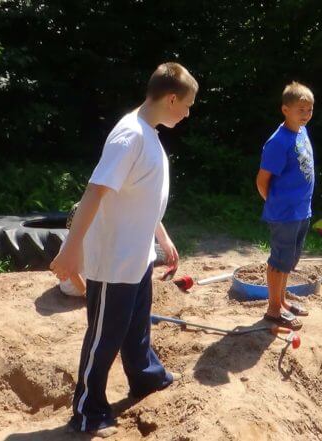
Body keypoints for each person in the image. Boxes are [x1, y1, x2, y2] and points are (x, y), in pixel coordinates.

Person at [50, 62, 198, 436]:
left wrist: (161, 238)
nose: (188, 113)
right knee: (105, 337)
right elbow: (95, 191)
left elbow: (140, 194)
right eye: (187, 105)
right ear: (171, 97)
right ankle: (87, 411)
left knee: (135, 329)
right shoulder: (129, 136)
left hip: (137, 255)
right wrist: (71, 250)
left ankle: (146, 377)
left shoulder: (149, 132)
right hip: (114, 260)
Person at [255, 81, 315, 331]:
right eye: (301, 109)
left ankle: (282, 300)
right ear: (285, 110)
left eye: (310, 109)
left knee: (289, 260)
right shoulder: (278, 142)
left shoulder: (301, 131)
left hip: (302, 210)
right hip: (285, 214)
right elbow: (262, 181)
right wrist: (277, 205)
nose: (306, 114)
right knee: (279, 261)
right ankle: (273, 310)